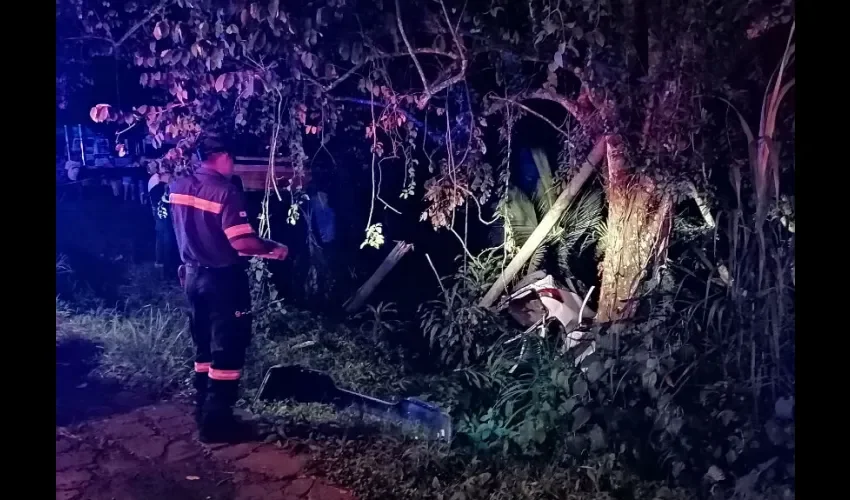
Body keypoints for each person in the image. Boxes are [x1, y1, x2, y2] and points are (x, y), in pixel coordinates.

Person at [169, 138, 289, 443]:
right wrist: (272, 249)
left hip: (193, 276)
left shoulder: (178, 186)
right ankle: (218, 424)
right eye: (231, 157)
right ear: (221, 155)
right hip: (223, 281)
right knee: (229, 347)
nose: (232, 164)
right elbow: (242, 242)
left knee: (204, 346)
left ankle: (203, 411)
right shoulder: (225, 192)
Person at [148, 167, 177, 279]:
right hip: (165, 221)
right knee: (167, 242)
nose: (172, 176)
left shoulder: (156, 185)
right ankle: (167, 271)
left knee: (161, 240)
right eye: (170, 174)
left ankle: (160, 264)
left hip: (160, 219)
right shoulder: (160, 187)